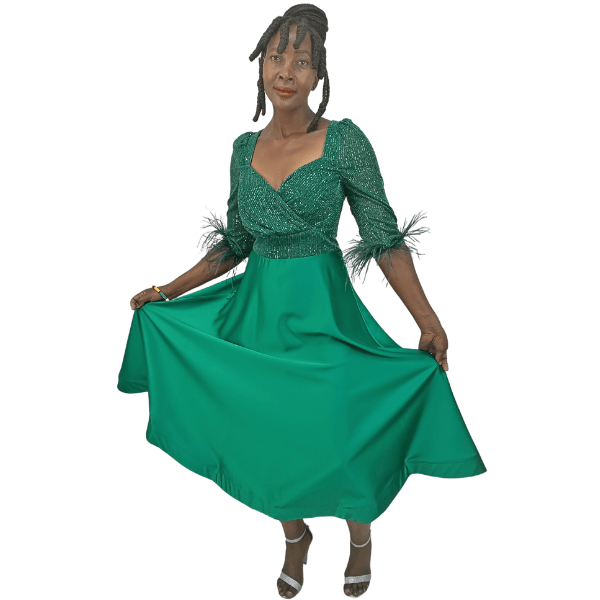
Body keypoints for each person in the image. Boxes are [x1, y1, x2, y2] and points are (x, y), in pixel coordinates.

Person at [117, 5, 487, 598]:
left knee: (341, 427)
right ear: (260, 66)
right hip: (258, 313)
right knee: (266, 430)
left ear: (319, 75)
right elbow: (236, 244)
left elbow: (383, 238)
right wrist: (167, 291)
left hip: (323, 312)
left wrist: (429, 320)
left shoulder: (343, 141)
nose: (286, 71)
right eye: (276, 57)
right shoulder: (242, 148)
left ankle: (359, 534)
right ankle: (295, 535)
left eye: (301, 60)